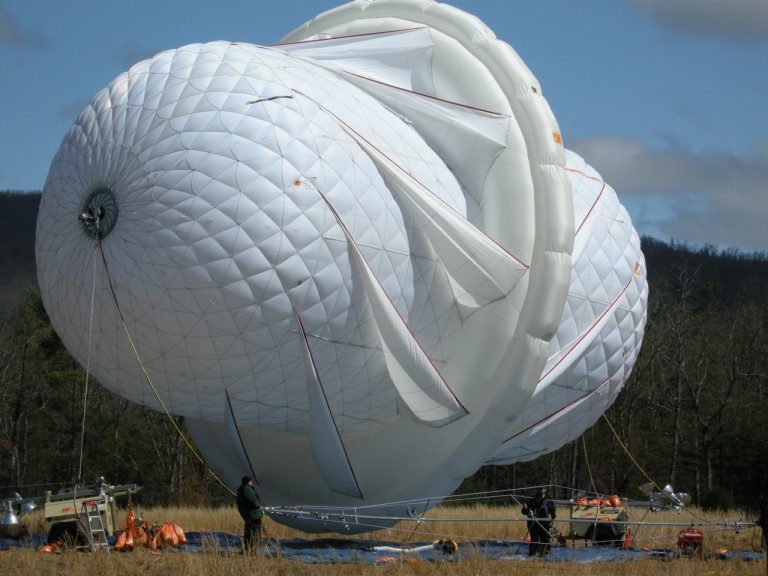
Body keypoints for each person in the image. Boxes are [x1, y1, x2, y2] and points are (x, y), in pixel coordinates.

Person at [521, 487, 556, 557]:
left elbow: (552, 510)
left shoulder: (548, 499)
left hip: (544, 523)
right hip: (534, 524)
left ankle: (545, 556)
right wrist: (525, 508)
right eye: (539, 489)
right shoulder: (532, 500)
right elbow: (524, 512)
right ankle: (532, 556)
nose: (540, 490)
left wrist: (553, 518)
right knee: (534, 541)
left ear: (544, 490)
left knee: (545, 541)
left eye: (542, 488)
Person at [236, 476, 263, 553]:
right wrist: (259, 506)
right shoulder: (247, 489)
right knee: (254, 532)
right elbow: (252, 500)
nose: (252, 482)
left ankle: (247, 548)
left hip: (247, 515)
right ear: (248, 482)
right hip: (253, 515)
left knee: (248, 532)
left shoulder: (241, 490)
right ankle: (252, 549)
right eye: (251, 481)